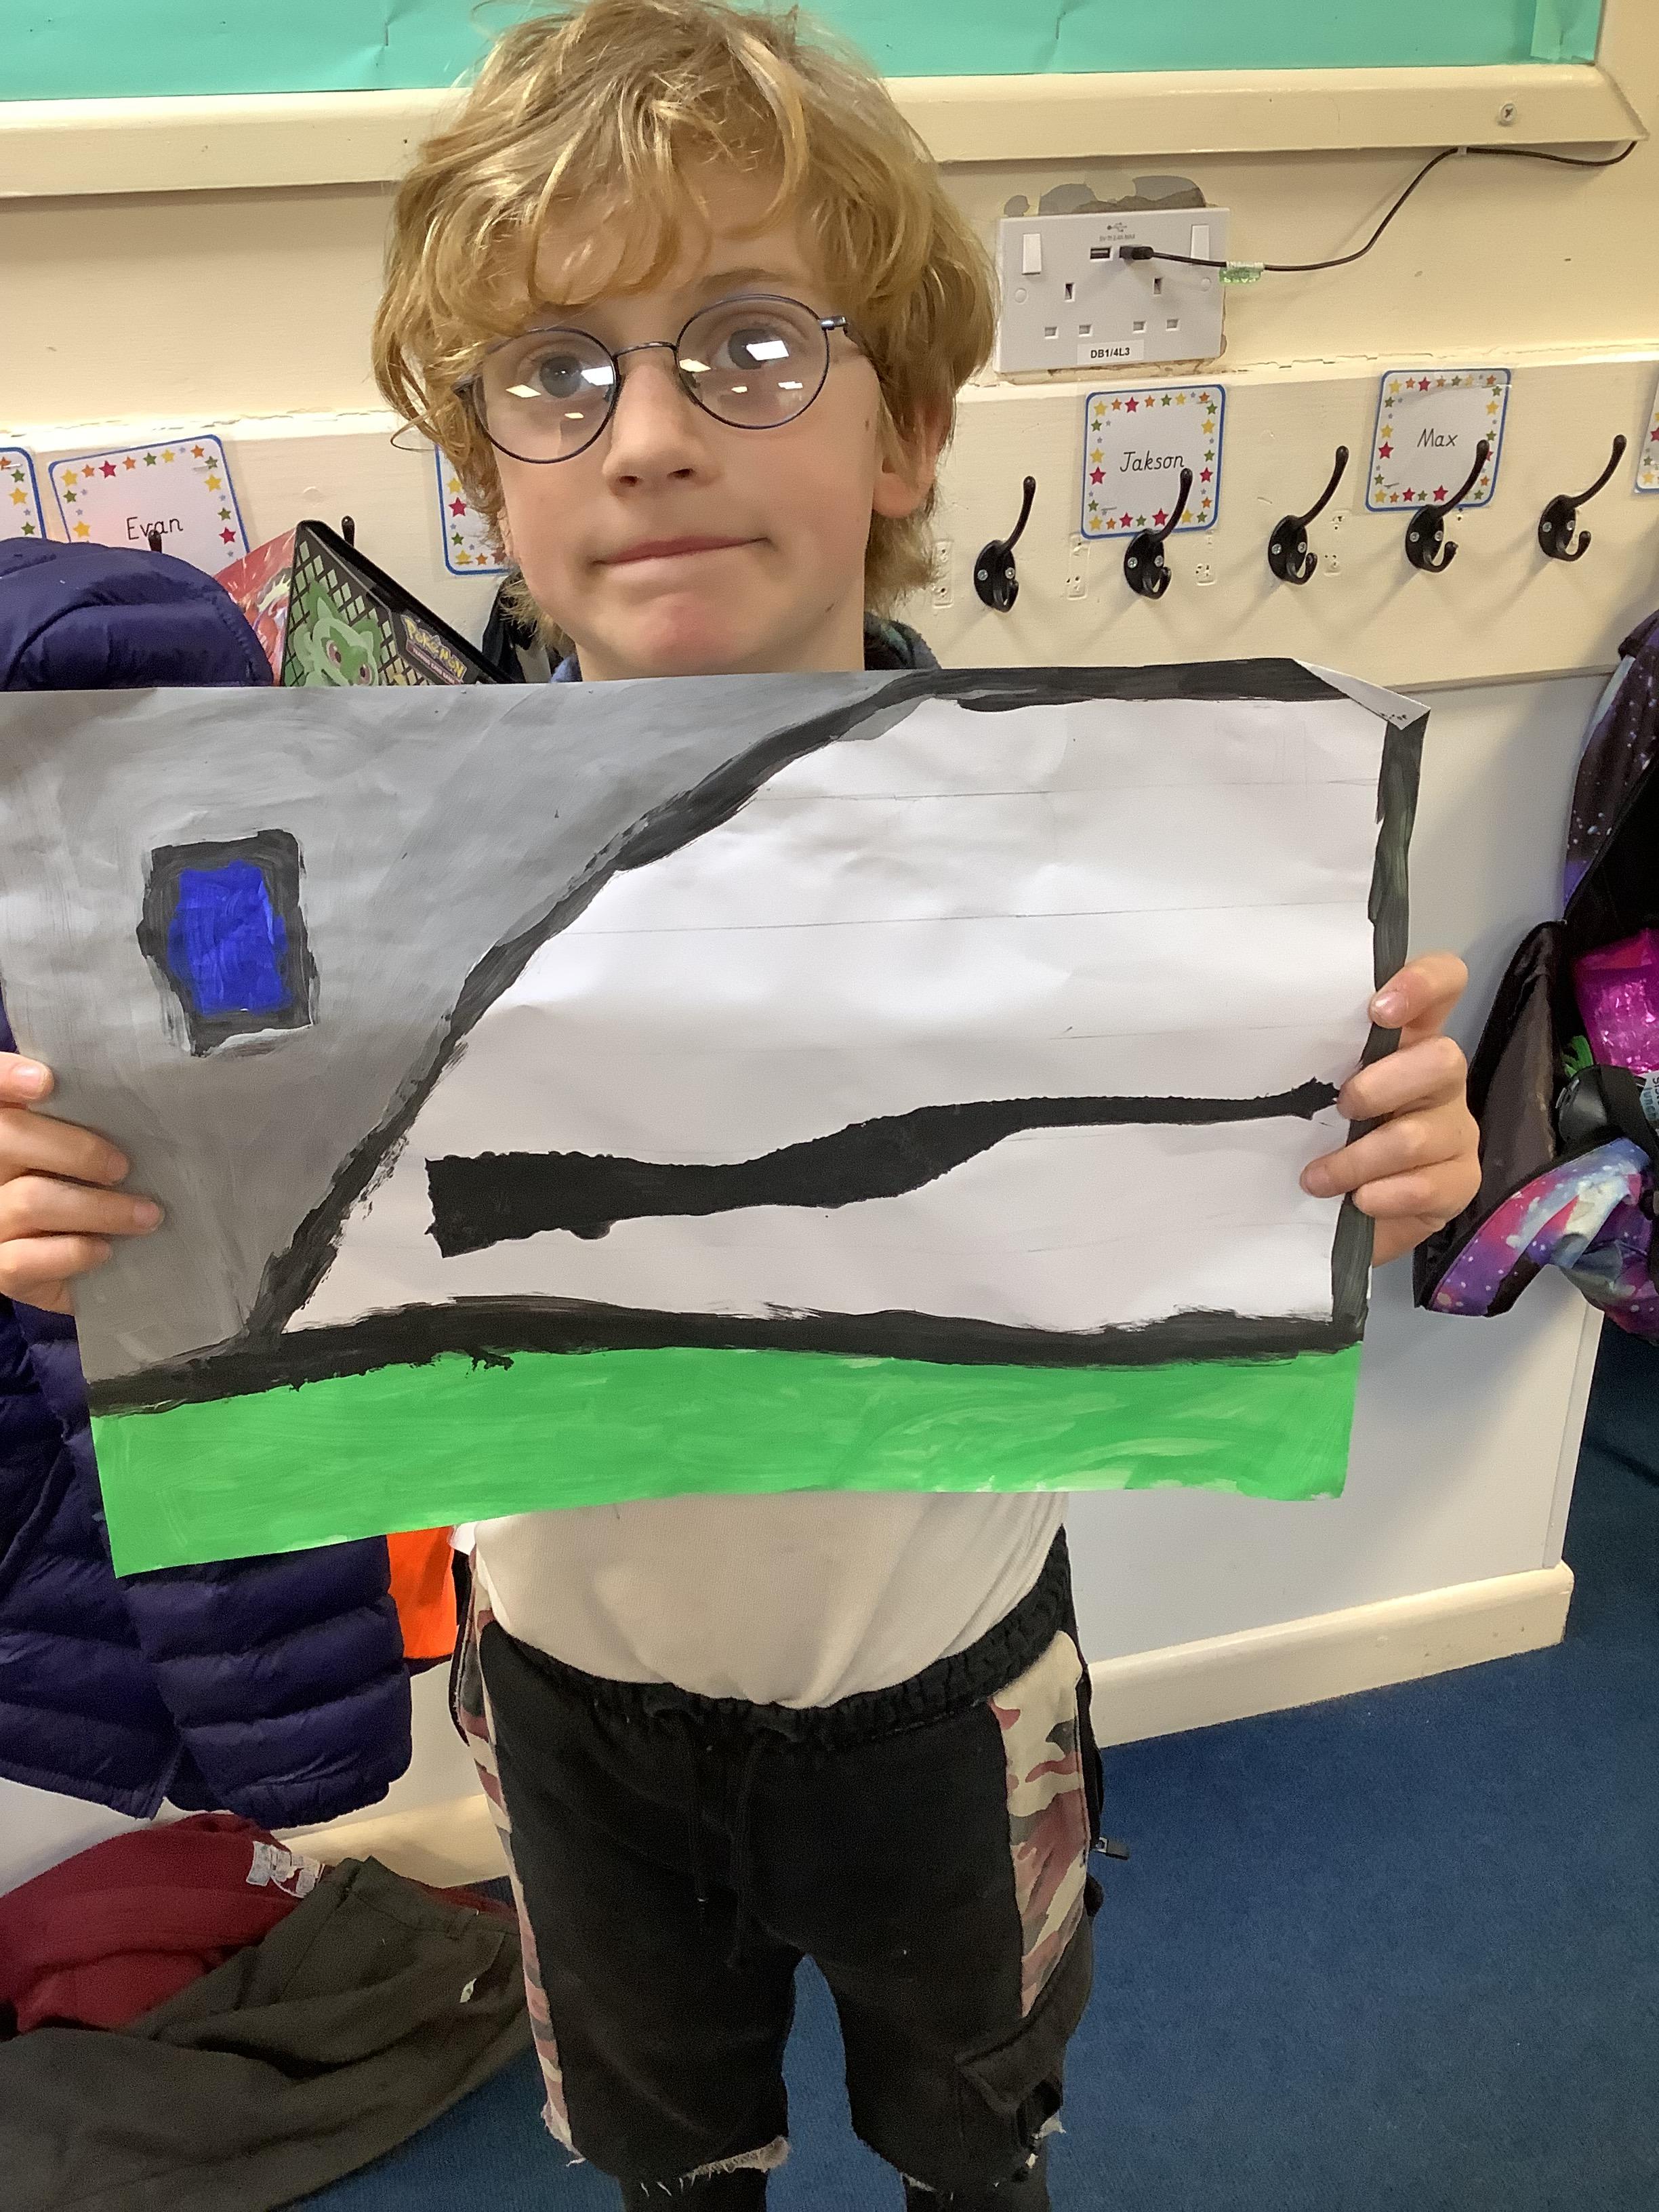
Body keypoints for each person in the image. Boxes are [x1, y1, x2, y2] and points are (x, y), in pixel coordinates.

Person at [0, 3, 1481, 2203]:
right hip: (568, 1696)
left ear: (910, 432)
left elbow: (1243, 1183)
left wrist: (1370, 1171)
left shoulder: (1103, 881)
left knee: (977, 2117)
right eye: (557, 373)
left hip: (948, 1677)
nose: (651, 438)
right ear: (489, 469)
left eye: (753, 349)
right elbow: (222, 1225)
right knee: (665, 2146)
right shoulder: (305, 903)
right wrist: (83, 1242)